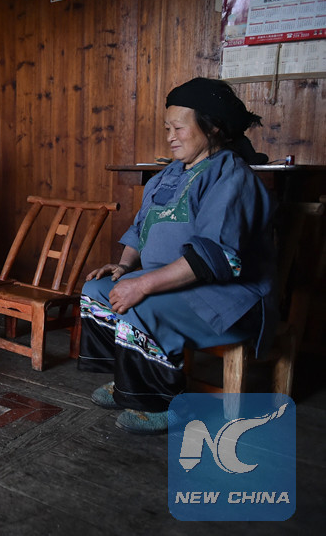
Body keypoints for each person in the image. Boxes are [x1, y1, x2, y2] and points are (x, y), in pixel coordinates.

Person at [78, 77, 276, 435]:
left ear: (212, 127)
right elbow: (141, 229)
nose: (170, 136)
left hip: (224, 297)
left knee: (141, 304)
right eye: (167, 128)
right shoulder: (167, 175)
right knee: (96, 293)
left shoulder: (231, 176)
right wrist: (124, 267)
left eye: (179, 128)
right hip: (172, 284)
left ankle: (164, 402)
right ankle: (128, 379)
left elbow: (217, 258)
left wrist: (144, 286)